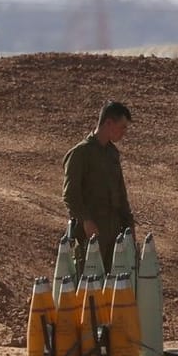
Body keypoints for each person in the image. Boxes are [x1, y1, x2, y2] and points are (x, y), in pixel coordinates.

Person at [62, 101, 136, 269]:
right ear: (109, 123)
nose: (124, 132)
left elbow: (121, 193)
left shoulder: (112, 154)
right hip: (91, 230)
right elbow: (70, 194)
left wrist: (129, 225)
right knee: (89, 282)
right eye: (122, 127)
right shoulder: (80, 153)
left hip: (114, 228)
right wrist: (86, 220)